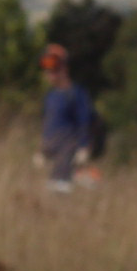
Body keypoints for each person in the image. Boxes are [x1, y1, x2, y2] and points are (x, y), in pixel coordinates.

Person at [38, 45, 96, 193]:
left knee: (60, 189)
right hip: (52, 154)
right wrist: (43, 151)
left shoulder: (77, 94)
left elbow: (84, 122)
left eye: (55, 69)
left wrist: (83, 147)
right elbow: (48, 126)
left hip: (68, 154)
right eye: (47, 70)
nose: (50, 74)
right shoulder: (50, 96)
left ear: (65, 69)